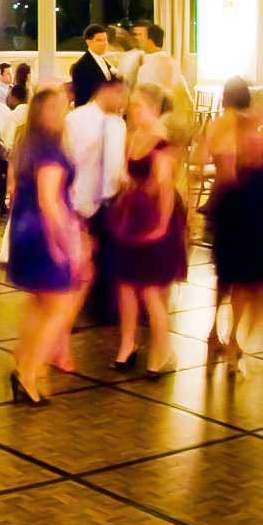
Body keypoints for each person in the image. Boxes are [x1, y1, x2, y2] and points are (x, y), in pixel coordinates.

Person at [6, 85, 86, 404]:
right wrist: (67, 240)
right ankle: (29, 371)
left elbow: (14, 189)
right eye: (60, 107)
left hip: (24, 228)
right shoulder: (51, 152)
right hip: (44, 232)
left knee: (40, 302)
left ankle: (24, 360)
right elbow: (49, 200)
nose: (65, 112)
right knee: (61, 305)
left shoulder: (27, 144)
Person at [106, 85, 186, 374]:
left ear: (153, 107)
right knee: (126, 285)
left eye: (138, 105)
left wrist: (161, 226)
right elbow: (130, 173)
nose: (133, 110)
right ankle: (128, 346)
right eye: (133, 105)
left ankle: (161, 354)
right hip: (132, 216)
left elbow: (165, 191)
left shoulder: (161, 141)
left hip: (153, 220)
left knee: (151, 290)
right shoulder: (136, 136)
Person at [204, 77, 263, 368]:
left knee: (225, 277)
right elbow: (237, 171)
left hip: (224, 206)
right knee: (245, 281)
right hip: (245, 208)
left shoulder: (215, 125)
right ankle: (233, 340)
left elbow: (212, 166)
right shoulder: (246, 129)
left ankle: (214, 333)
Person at [66, 76, 128, 245]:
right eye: (120, 95)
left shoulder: (118, 125)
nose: (123, 102)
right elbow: (68, 157)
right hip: (81, 200)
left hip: (110, 205)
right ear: (106, 91)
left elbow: (118, 162)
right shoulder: (77, 118)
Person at [70, 24, 117, 107]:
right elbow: (81, 100)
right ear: (88, 42)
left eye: (105, 40)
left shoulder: (104, 61)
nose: (104, 43)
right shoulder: (81, 67)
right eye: (99, 40)